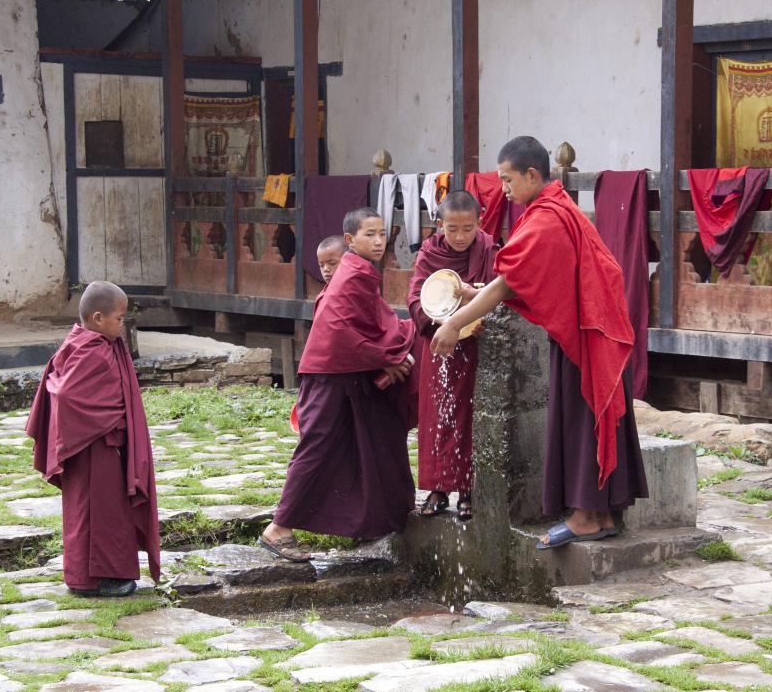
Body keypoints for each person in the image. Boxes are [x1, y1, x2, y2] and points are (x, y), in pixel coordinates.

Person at [431, 136, 649, 549]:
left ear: (532, 174)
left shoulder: (547, 217)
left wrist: (453, 324)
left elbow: (510, 283)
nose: (505, 189)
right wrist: (472, 293)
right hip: (591, 330)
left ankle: (586, 516)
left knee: (583, 418)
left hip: (588, 336)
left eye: (508, 180)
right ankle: (600, 513)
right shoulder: (555, 207)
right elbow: (525, 283)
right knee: (585, 416)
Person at [260, 207, 417, 561]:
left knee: (378, 438)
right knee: (316, 448)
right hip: (329, 377)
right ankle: (278, 527)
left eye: (381, 235)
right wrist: (387, 357)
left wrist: (387, 354)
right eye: (368, 235)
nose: (377, 242)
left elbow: (376, 322)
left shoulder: (361, 271)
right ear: (350, 240)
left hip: (350, 374)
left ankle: (382, 521)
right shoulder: (352, 275)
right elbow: (340, 333)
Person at [26, 281, 160, 596]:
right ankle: (91, 580)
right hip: (90, 447)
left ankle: (107, 574)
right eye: (119, 318)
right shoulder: (90, 350)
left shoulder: (97, 345)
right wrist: (111, 419)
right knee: (93, 513)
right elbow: (68, 395)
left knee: (109, 513)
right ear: (98, 319)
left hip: (103, 447)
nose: (123, 324)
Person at [408, 191, 498, 521]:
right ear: (439, 224)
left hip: (475, 346)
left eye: (467, 228)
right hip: (439, 344)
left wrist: (477, 317)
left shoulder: (489, 249)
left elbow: (498, 293)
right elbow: (415, 298)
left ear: (480, 223)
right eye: (452, 229)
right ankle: (438, 487)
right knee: (437, 414)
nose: (460, 237)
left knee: (470, 416)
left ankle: (469, 488)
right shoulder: (429, 253)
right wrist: (440, 321)